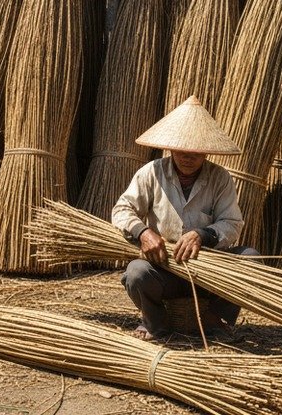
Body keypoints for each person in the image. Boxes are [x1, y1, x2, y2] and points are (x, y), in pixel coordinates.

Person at [111, 95, 259, 341]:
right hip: (164, 268)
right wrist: (143, 233)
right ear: (170, 146)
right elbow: (121, 210)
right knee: (136, 273)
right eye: (182, 149)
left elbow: (232, 224)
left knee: (251, 260)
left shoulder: (220, 178)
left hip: (209, 272)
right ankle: (155, 323)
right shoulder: (151, 172)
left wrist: (203, 235)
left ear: (206, 151)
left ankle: (216, 320)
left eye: (195, 151)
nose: (188, 156)